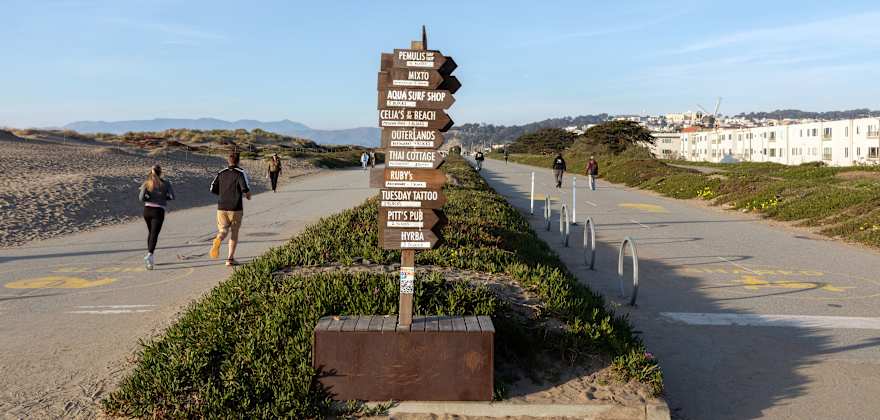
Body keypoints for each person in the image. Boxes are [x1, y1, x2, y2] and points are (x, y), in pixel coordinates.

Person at [210, 152, 251, 266]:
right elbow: (245, 189)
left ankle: (219, 238)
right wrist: (248, 196)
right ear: (238, 161)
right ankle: (230, 259)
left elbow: (212, 188)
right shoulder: (240, 173)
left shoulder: (221, 172)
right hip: (235, 208)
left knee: (223, 230)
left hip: (222, 206)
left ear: (228, 161)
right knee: (234, 232)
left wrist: (223, 193)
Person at [138, 165, 174, 270]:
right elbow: (172, 196)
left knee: (151, 233)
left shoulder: (147, 183)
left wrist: (149, 197)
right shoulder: (166, 184)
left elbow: (141, 198)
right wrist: (163, 197)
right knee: (154, 234)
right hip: (158, 211)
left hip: (147, 210)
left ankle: (150, 256)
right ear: (161, 172)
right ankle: (150, 255)